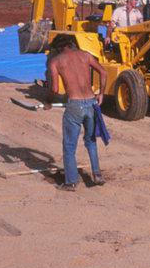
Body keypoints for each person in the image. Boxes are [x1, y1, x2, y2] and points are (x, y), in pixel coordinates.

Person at [45, 34, 108, 191]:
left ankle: (72, 182)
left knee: (69, 146)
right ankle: (97, 175)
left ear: (58, 48)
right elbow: (104, 72)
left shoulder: (56, 61)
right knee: (91, 141)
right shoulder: (86, 55)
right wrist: (101, 93)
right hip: (91, 103)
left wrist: (49, 102)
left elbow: (54, 89)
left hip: (74, 104)